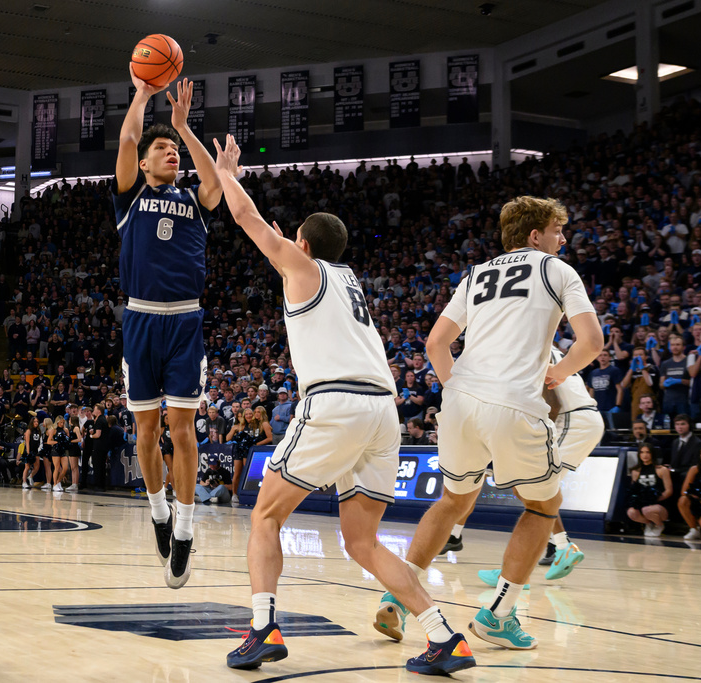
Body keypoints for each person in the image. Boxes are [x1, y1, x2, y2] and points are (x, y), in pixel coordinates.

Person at [214, 134, 474, 675]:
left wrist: (229, 174)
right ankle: (444, 636)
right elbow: (284, 245)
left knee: (265, 516)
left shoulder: (302, 270)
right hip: (383, 412)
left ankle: (263, 628)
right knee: (362, 541)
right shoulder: (345, 278)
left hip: (336, 404)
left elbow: (245, 217)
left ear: (301, 246)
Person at [372, 194, 601, 652]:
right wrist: (558, 373)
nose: (563, 238)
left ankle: (399, 596)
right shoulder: (557, 270)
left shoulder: (476, 274)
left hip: (458, 403)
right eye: (557, 231)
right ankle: (498, 615)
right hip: (513, 402)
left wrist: (457, 388)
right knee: (542, 506)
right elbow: (592, 341)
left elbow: (437, 343)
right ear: (535, 235)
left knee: (454, 501)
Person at [113, 68, 221, 587]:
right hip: (140, 318)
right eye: (163, 149)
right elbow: (129, 136)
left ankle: (184, 527)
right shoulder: (129, 194)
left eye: (173, 150)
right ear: (144, 163)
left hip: (184, 321)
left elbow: (217, 183)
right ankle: (157, 510)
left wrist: (184, 125)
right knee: (147, 430)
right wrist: (142, 94)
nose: (169, 152)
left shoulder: (195, 204)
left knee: (182, 430)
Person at [533, 344, 605, 580]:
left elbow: (553, 404)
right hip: (582, 417)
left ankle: (557, 549)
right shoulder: (545, 345)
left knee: (534, 486)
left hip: (572, 419)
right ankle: (556, 545)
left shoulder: (531, 349)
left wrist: (541, 432)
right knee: (540, 488)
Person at [626, 445, 673, 536]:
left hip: (660, 506)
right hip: (643, 505)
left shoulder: (662, 470)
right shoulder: (635, 471)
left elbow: (669, 491)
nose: (645, 455)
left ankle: (659, 525)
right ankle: (649, 523)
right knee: (631, 512)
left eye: (648, 452)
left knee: (647, 510)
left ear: (652, 454)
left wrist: (654, 500)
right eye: (642, 452)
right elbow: (633, 490)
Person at [669, 414, 701, 481]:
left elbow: (694, 466)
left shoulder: (697, 443)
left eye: (682, 424)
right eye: (677, 424)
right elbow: (674, 463)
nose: (679, 427)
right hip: (675, 474)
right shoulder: (675, 442)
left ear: (689, 425)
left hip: (687, 475)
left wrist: (674, 470)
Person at [19, 417, 40, 489]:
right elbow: (27, 442)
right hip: (29, 451)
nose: (36, 423)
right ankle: (24, 482)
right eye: (34, 421)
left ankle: (30, 476)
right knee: (27, 467)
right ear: (32, 422)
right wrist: (28, 453)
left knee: (37, 466)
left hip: (36, 451)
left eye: (37, 421)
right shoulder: (28, 431)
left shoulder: (38, 430)